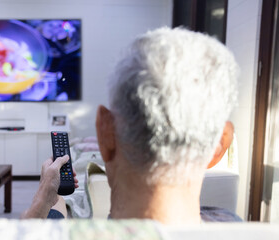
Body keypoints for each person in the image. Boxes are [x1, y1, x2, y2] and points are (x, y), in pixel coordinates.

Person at [22, 27, 239, 224]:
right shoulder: (232, 224)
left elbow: (39, 222)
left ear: (104, 133)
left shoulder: (51, 233)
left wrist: (42, 199)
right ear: (220, 145)